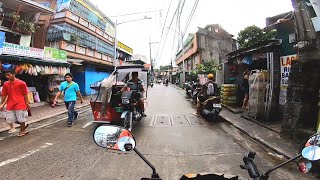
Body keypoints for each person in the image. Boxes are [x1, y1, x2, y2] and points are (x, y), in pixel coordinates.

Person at [0, 70, 30, 137]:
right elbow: (4, 95)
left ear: (14, 74)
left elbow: (25, 94)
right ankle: (23, 125)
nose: (7, 76)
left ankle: (22, 131)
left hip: (20, 103)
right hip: (10, 104)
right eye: (6, 75)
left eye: (9, 75)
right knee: (10, 119)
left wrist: (27, 103)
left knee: (21, 119)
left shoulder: (22, 83)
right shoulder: (6, 84)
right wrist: (1, 104)